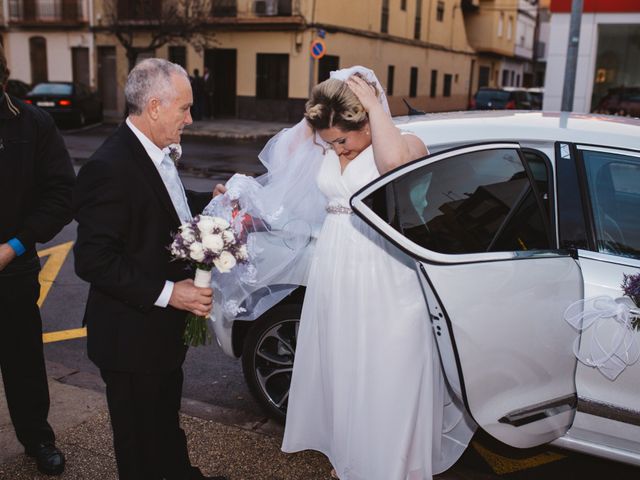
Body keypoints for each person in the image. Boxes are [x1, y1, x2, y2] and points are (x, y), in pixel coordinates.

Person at [211, 66, 475, 480]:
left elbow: (391, 168)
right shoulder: (327, 145)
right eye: (329, 142)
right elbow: (282, 156)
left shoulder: (406, 143)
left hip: (385, 272)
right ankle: (351, 459)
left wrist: (371, 103)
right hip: (336, 269)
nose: (336, 150)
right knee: (345, 368)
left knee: (387, 369)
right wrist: (316, 111)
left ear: (368, 121)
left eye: (343, 140)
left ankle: (390, 467)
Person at [73, 58, 227, 480]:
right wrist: (170, 292)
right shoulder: (108, 167)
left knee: (162, 423)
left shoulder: (154, 151)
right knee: (139, 443)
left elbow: (163, 206)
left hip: (157, 334)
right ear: (155, 107)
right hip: (130, 336)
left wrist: (205, 198)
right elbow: (92, 259)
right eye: (185, 109)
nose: (190, 119)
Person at [0, 45, 73, 476]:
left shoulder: (32, 123)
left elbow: (62, 195)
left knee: (23, 360)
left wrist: (15, 245)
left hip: (15, 268)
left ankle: (38, 439)